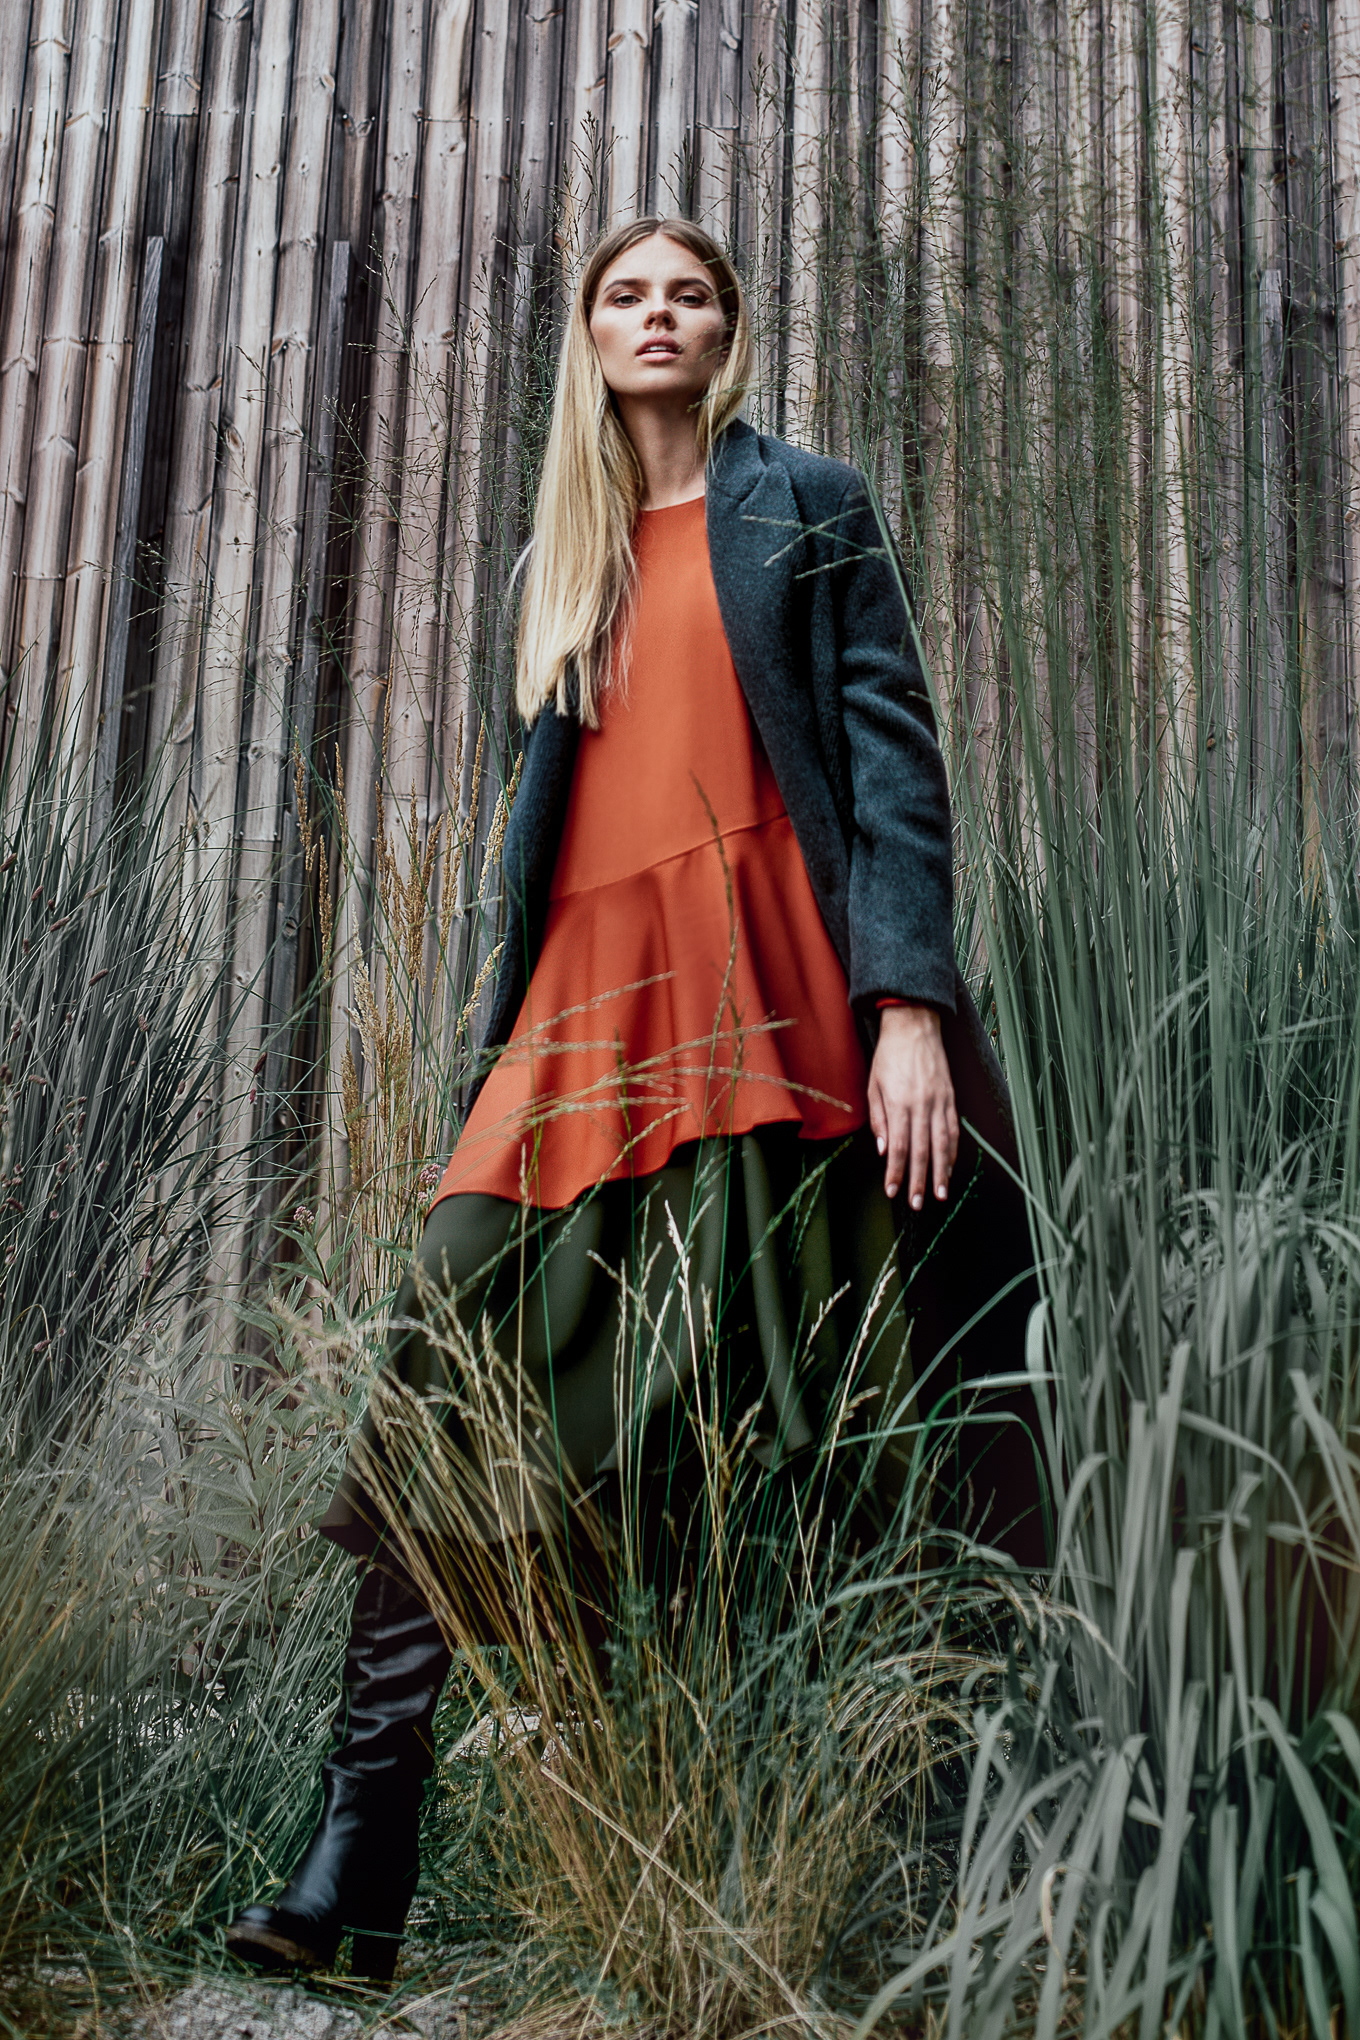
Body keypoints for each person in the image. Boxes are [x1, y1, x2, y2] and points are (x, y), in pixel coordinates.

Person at [225, 216, 1037, 1984]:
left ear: (727, 331)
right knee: (446, 1375)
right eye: (625, 295)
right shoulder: (562, 554)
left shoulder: (806, 504)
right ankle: (361, 1851)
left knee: (774, 1420)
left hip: (770, 998)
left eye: (687, 295)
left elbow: (895, 765)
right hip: (583, 1016)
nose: (655, 317)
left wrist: (907, 1005)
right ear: (590, 335)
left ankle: (827, 1869)